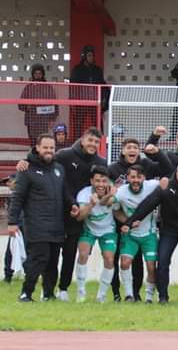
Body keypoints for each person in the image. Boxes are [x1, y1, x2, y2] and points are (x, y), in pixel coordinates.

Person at [124, 162, 178, 303]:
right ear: (176, 175)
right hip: (170, 229)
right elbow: (148, 203)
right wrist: (131, 221)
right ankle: (163, 297)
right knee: (163, 261)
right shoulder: (166, 186)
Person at [8, 134, 78, 302]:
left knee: (53, 260)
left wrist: (73, 204)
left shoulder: (59, 169)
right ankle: (26, 293)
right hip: (36, 224)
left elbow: (65, 192)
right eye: (45, 147)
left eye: (52, 148)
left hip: (57, 224)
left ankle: (48, 294)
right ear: (37, 148)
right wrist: (12, 222)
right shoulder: (26, 169)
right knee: (39, 259)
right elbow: (17, 197)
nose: (49, 151)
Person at [48, 127, 106, 302]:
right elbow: (44, 160)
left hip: (80, 214)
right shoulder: (64, 155)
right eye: (90, 140)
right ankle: (48, 289)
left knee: (70, 252)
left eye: (96, 142)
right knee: (52, 253)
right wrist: (27, 161)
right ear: (82, 140)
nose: (93, 144)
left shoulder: (100, 162)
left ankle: (63, 289)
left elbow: (108, 181)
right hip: (58, 212)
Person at [114, 165, 162, 303]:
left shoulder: (152, 185)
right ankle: (129, 295)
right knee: (124, 263)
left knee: (151, 266)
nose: (136, 180)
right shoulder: (121, 192)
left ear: (144, 178)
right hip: (130, 236)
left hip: (149, 234)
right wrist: (127, 222)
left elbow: (166, 186)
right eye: (132, 177)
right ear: (127, 178)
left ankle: (148, 297)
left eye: (139, 177)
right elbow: (116, 211)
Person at [73, 165, 118, 303]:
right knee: (83, 254)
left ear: (108, 182)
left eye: (104, 181)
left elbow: (111, 205)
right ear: (92, 181)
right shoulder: (84, 193)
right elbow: (79, 217)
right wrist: (91, 205)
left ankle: (101, 295)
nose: (101, 184)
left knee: (109, 259)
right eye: (97, 181)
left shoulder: (114, 192)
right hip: (89, 230)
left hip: (108, 230)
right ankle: (81, 292)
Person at [69, 45, 107, 140]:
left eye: (93, 55)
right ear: (84, 56)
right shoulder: (77, 70)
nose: (92, 58)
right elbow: (72, 87)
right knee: (78, 124)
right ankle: (76, 144)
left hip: (95, 101)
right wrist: (73, 102)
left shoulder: (98, 70)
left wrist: (103, 101)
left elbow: (103, 85)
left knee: (98, 123)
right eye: (89, 55)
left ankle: (99, 143)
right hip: (81, 101)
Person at [19, 63, 58, 145]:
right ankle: (33, 157)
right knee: (33, 143)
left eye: (39, 73)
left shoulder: (48, 87)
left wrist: (52, 119)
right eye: (35, 73)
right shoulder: (28, 87)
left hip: (44, 120)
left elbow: (54, 104)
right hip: (31, 120)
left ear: (43, 74)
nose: (38, 75)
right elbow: (20, 104)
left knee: (42, 141)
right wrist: (26, 107)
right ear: (33, 75)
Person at [2, 174, 19, 283]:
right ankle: (8, 275)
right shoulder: (13, 196)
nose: (7, 184)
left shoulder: (19, 196)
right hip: (17, 226)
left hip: (22, 226)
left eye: (9, 181)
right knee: (10, 252)